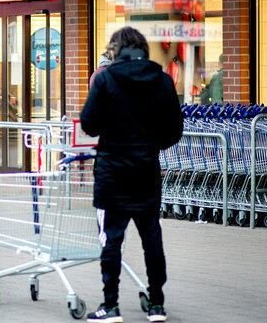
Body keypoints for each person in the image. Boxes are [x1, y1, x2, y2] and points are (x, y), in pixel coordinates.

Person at [80, 27, 182, 323]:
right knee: (152, 238)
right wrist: (150, 145)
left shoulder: (105, 79)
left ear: (116, 50)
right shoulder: (162, 80)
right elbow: (174, 130)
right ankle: (157, 304)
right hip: (146, 170)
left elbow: (89, 123)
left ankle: (110, 306)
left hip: (113, 172)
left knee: (112, 239)